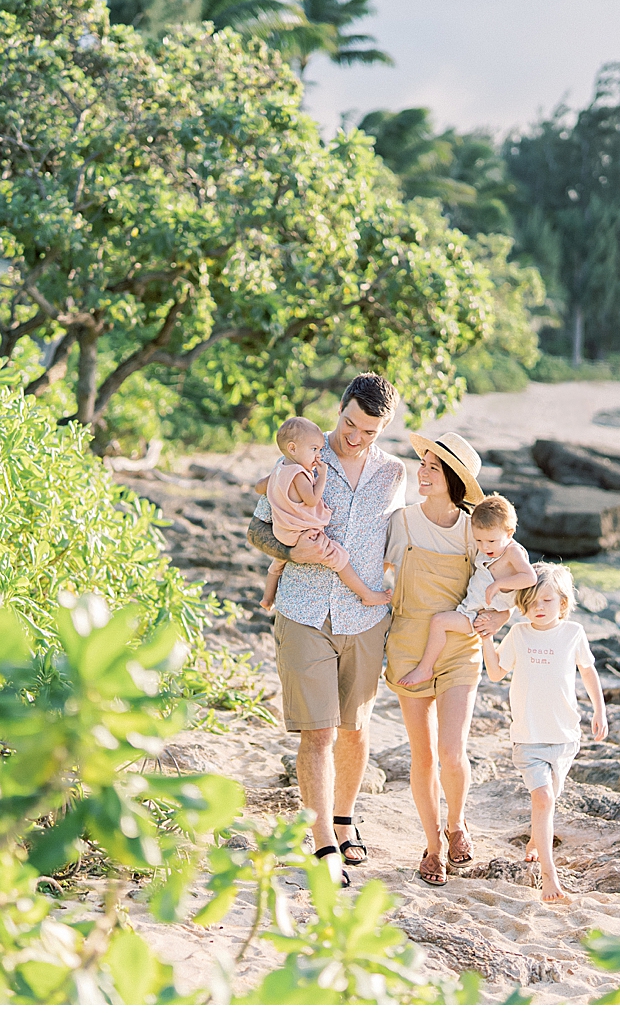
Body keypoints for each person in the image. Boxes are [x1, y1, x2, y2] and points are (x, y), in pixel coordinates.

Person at [246, 374, 405, 883]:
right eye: (349, 424)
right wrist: (292, 551)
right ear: (339, 411)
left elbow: (412, 539)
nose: (355, 438)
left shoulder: (394, 474)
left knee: (353, 730)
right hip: (303, 610)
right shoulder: (299, 460)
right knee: (317, 733)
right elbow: (256, 529)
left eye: (369, 432)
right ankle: (322, 848)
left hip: (364, 619)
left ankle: (343, 820)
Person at [382, 431, 489, 887]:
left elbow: (499, 582)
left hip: (461, 648)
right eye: (422, 463)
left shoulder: (472, 529)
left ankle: (457, 822)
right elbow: (380, 578)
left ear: (452, 479)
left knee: (451, 751)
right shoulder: (401, 521)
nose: (421, 472)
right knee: (423, 756)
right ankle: (432, 846)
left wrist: (499, 618)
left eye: (432, 467)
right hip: (408, 647)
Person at [484, 562, 608, 903]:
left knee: (549, 801)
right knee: (544, 799)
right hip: (528, 738)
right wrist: (487, 638)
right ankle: (549, 880)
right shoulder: (519, 634)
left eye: (547, 601)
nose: (539, 608)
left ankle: (535, 839)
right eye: (533, 601)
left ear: (563, 604)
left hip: (565, 737)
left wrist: (600, 709)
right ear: (523, 603)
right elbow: (495, 672)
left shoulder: (573, 634)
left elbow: (588, 671)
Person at [397, 493, 536, 689]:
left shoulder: (512, 552)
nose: (484, 547)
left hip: (478, 614)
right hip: (472, 607)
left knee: (438, 622)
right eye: (479, 540)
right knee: (438, 622)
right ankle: (427, 667)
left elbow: (530, 577)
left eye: (491, 541)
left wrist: (498, 584)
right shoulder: (490, 548)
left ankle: (425, 668)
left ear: (510, 533)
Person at [260, 415, 393, 611]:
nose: (319, 456)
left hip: (284, 533)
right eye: (314, 449)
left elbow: (258, 487)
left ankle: (267, 598)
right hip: (303, 534)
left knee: (278, 563)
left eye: (320, 449)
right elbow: (312, 499)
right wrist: (321, 476)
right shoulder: (298, 473)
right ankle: (367, 594)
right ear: (292, 448)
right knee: (338, 558)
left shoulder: (280, 469)